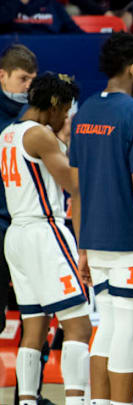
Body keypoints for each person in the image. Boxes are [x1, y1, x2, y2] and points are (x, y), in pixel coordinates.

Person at [69, 32, 133, 405]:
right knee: (126, 333)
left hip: (93, 241)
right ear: (132, 67)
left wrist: (81, 248)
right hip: (129, 244)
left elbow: (76, 190)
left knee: (107, 329)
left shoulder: (85, 113)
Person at [0, 73, 91, 405]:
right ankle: (77, 401)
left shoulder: (7, 132)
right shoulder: (40, 135)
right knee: (79, 326)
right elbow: (75, 184)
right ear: (53, 105)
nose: (65, 118)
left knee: (34, 328)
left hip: (17, 233)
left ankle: (25, 401)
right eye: (65, 111)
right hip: (44, 231)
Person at [0, 44, 37, 335]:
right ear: (2, 75)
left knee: (36, 313)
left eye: (32, 80)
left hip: (28, 224)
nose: (27, 87)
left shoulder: (35, 114)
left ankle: (27, 383)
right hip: (1, 223)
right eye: (22, 79)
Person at [0, 0, 83, 34]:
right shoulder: (5, 3)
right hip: (15, 52)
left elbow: (74, 31)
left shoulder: (52, 4)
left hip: (50, 48)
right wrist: (17, 2)